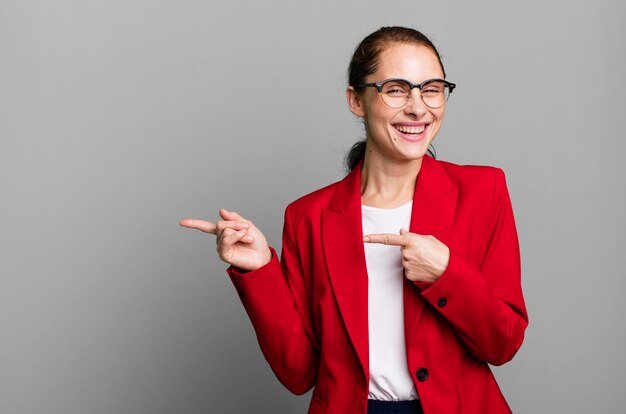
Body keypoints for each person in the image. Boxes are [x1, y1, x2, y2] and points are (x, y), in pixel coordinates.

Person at [180, 26, 528, 414]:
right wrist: (260, 270)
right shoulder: (307, 217)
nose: (418, 107)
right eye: (396, 89)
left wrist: (446, 273)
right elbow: (298, 373)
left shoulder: (483, 191)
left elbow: (504, 344)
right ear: (356, 100)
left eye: (431, 89)